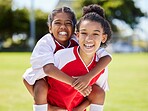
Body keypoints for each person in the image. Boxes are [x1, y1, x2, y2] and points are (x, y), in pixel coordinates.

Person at [23, 5, 112, 111]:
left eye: (68, 23)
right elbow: (47, 69)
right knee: (40, 86)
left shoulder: (80, 42)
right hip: (48, 81)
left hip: (70, 92)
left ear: (74, 30)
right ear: (50, 28)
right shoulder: (46, 43)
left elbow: (107, 57)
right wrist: (76, 84)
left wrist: (87, 78)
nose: (62, 27)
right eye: (57, 22)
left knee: (98, 91)